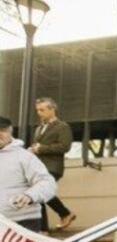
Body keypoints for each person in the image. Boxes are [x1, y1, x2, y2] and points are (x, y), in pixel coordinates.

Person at [29, 97, 76, 231]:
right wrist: (33, 149)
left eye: (42, 110)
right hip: (39, 167)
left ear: (52, 110)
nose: (39, 113)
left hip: (52, 167)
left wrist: (41, 148)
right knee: (39, 195)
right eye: (37, 110)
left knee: (39, 193)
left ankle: (45, 228)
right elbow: (39, 146)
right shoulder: (38, 129)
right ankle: (63, 215)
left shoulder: (62, 127)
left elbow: (65, 146)